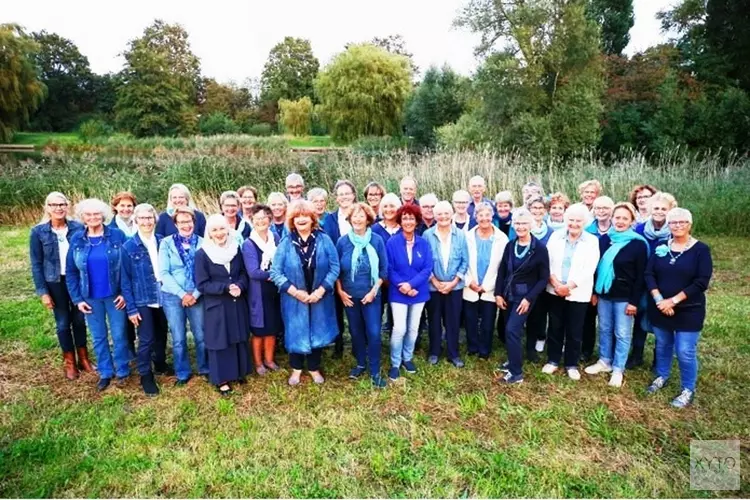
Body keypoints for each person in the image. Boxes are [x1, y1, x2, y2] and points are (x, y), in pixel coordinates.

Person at [644, 208, 712, 408]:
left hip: (689, 308)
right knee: (663, 344)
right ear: (668, 225)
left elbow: (701, 282)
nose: (678, 226)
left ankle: (687, 389)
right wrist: (659, 300)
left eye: (682, 222)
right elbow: (649, 274)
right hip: (660, 305)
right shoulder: (661, 246)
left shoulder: (701, 250)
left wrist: (672, 301)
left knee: (684, 350)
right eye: (673, 222)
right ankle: (661, 376)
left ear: (689, 224)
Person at [270, 200, 340, 386]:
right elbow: (275, 272)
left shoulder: (324, 239)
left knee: (317, 329)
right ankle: (296, 369)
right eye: (297, 216)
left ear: (312, 219)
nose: (301, 219)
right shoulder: (285, 243)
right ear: (292, 220)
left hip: (319, 296)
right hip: (294, 298)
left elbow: (335, 267)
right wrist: (295, 292)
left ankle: (314, 367)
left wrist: (321, 290)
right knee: (295, 330)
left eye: (305, 216)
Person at [66, 198, 129, 391]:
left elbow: (128, 267)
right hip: (90, 297)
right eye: (88, 214)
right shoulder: (77, 239)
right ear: (83, 217)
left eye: (96, 214)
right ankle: (105, 372)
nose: (93, 217)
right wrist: (77, 299)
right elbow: (71, 272)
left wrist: (125, 294)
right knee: (99, 336)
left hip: (115, 296)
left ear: (103, 215)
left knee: (119, 335)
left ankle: (122, 370)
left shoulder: (117, 236)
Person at [585, 203, 648, 388]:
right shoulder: (605, 240)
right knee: (604, 328)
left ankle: (618, 368)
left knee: (622, 333)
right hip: (604, 294)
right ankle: (605, 360)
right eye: (617, 217)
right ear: (612, 218)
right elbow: (596, 268)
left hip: (625, 298)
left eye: (625, 218)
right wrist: (595, 292)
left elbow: (640, 276)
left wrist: (634, 302)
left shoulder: (637, 244)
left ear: (632, 221)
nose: (620, 221)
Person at [30, 192, 92, 380]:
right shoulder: (38, 232)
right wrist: (43, 292)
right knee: (63, 322)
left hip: (77, 280)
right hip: (54, 282)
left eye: (62, 204)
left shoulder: (78, 228)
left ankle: (84, 358)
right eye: (54, 205)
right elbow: (36, 263)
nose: (58, 208)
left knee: (80, 320)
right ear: (47, 207)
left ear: (67, 206)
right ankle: (70, 362)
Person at [541, 204, 600, 380]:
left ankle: (571, 364)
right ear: (566, 220)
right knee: (555, 326)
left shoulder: (592, 241)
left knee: (575, 329)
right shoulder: (556, 236)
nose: (574, 224)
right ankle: (552, 360)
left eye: (578, 220)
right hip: (555, 289)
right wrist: (556, 283)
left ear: (585, 222)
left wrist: (569, 286)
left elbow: (589, 268)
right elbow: (548, 261)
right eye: (571, 220)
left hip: (578, 292)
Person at [195, 215, 250, 396]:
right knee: (220, 340)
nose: (219, 233)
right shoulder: (202, 254)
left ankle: (238, 372)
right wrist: (226, 287)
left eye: (222, 229)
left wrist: (240, 286)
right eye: (214, 230)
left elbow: (243, 273)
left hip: (236, 301)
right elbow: (202, 284)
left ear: (228, 229)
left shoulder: (236, 249)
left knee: (237, 336)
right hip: (217, 304)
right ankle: (222, 379)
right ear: (209, 233)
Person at [120, 203, 172, 396]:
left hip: (163, 293)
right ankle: (145, 374)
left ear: (154, 220)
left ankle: (160, 363)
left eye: (149, 218)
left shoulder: (162, 241)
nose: (146, 221)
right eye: (142, 218)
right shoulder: (129, 246)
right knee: (147, 337)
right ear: (136, 220)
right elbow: (125, 280)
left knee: (162, 331)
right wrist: (131, 309)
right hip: (142, 296)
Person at [494, 208, 550, 384]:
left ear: (531, 225)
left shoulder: (539, 248)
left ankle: (516, 373)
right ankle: (512, 360)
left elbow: (543, 278)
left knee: (512, 330)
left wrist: (529, 298)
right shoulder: (510, 245)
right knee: (509, 330)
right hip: (507, 295)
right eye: (517, 223)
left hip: (524, 297)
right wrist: (498, 293)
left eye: (524, 223)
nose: (520, 226)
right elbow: (502, 270)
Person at [336, 203, 389, 388]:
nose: (358, 219)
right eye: (354, 216)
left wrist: (374, 291)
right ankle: (360, 364)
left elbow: (384, 270)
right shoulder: (343, 242)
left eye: (361, 216)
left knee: (374, 333)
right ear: (350, 219)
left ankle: (375, 371)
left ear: (368, 219)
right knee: (356, 332)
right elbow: (336, 270)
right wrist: (340, 292)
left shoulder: (377, 240)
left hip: (371, 296)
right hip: (349, 297)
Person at [158, 206, 209, 385]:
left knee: (201, 334)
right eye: (181, 222)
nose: (185, 225)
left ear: (194, 222)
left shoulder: (203, 242)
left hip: (197, 294)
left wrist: (194, 294)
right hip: (173, 296)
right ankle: (182, 372)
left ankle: (205, 367)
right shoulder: (166, 243)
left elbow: (207, 273)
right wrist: (182, 294)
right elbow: (164, 273)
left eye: (188, 221)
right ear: (175, 224)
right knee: (178, 337)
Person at [630, 191, 678, 369]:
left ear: (671, 210)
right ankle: (636, 355)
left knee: (662, 321)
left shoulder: (674, 231)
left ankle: (659, 360)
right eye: (656, 208)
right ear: (650, 209)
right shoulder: (640, 229)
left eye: (663, 209)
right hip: (642, 281)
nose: (659, 211)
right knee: (640, 318)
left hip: (665, 283)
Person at [386, 204, 433, 381]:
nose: (408, 221)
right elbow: (389, 268)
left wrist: (412, 285)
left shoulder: (423, 243)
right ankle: (395, 363)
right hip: (398, 292)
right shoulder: (392, 242)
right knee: (400, 328)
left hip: (418, 292)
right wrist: (402, 286)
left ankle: (407, 358)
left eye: (411, 218)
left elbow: (427, 268)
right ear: (400, 221)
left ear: (416, 221)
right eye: (404, 218)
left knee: (413, 329)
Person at [424, 201, 469, 367]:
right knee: (434, 320)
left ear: (452, 214)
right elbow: (425, 262)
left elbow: (465, 261)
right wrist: (435, 281)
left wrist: (453, 282)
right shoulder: (427, 235)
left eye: (446, 213)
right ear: (435, 216)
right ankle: (434, 351)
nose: (443, 217)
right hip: (433, 287)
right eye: (439, 214)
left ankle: (453, 353)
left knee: (453, 320)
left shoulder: (461, 235)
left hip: (454, 287)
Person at [463, 202, 508, 359]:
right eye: (480, 215)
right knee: (470, 319)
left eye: (487, 215)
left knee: (488, 322)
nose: (484, 218)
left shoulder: (501, 238)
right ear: (476, 217)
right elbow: (463, 261)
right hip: (471, 285)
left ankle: (484, 350)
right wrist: (469, 282)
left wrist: (488, 286)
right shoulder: (467, 236)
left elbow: (503, 266)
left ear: (492, 216)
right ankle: (472, 347)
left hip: (490, 286)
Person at [241, 204, 282, 376]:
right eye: (257, 218)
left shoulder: (276, 238)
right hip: (259, 291)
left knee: (272, 328)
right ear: (252, 220)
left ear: (270, 219)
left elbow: (281, 260)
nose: (261, 221)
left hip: (275, 290)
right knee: (259, 330)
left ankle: (270, 360)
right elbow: (252, 272)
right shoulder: (249, 244)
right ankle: (258, 363)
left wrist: (279, 275)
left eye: (264, 217)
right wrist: (274, 275)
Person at [322, 179, 358, 357]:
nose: (344, 197)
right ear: (336, 198)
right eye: (340, 194)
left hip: (357, 271)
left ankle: (359, 343)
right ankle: (338, 345)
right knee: (336, 308)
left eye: (347, 193)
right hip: (335, 269)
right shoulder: (328, 219)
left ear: (353, 195)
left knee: (355, 308)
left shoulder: (360, 215)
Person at [581, 195, 615, 361]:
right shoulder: (587, 231)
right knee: (587, 318)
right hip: (590, 279)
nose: (601, 211)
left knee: (608, 321)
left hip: (611, 282)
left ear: (612, 210)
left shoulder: (617, 232)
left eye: (605, 208)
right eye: (598, 208)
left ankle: (610, 352)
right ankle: (586, 350)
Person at [110, 191, 138, 359]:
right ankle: (128, 348)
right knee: (124, 311)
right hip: (120, 274)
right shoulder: (111, 229)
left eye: (129, 206)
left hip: (139, 273)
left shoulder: (141, 223)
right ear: (115, 207)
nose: (126, 209)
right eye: (122, 206)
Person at [372, 193, 402, 334]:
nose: (389, 209)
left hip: (400, 279)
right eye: (385, 206)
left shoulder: (405, 228)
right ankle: (374, 339)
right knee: (376, 311)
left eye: (392, 206)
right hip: (378, 279)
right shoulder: (374, 229)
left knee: (398, 312)